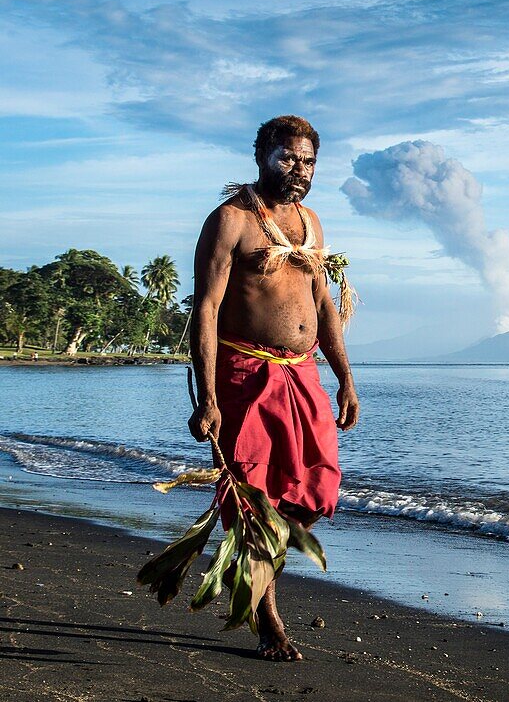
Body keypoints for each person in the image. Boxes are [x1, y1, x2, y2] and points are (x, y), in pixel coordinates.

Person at [188, 115, 359, 661]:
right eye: (287, 157)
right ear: (261, 155)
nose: (299, 169)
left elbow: (323, 305)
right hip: (246, 375)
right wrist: (210, 398)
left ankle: (258, 568)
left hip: (302, 375)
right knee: (255, 499)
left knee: (316, 491)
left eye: (307, 161)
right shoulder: (230, 221)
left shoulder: (311, 222)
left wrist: (345, 379)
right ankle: (269, 620)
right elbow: (207, 308)